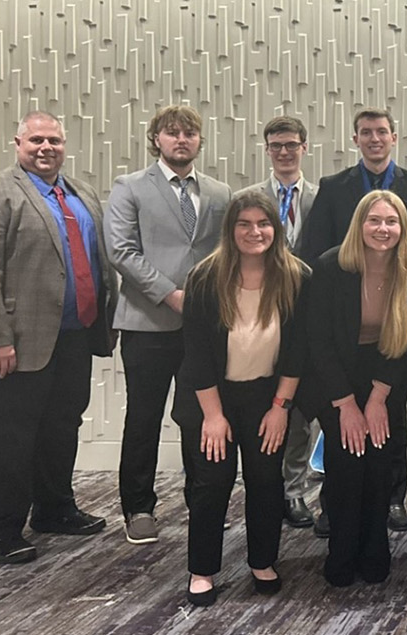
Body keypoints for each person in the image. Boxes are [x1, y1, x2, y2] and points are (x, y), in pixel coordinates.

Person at [0, 111, 118, 564]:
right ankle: (0, 530)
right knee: (9, 438)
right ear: (18, 143)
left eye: (55, 141)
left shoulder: (81, 193)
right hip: (12, 344)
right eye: (37, 140)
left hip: (72, 336)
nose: (46, 148)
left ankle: (54, 509)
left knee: (62, 428)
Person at [298, 106, 407, 533]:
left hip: (393, 331)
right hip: (341, 332)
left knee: (390, 420)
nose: (374, 139)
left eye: (382, 132)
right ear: (355, 139)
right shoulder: (334, 187)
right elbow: (316, 248)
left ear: (394, 137)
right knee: (339, 427)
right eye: (365, 133)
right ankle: (332, 504)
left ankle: (392, 500)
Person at [104, 104, 232, 545]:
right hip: (147, 323)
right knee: (144, 416)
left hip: (205, 327)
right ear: (156, 138)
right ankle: (138, 507)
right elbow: (122, 251)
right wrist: (172, 295)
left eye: (190, 133)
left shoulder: (219, 192)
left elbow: (226, 253)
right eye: (172, 132)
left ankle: (203, 499)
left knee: (199, 416)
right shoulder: (131, 187)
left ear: (199, 141)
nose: (182, 140)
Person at [173, 190, 307, 606]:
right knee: (212, 482)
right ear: (230, 230)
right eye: (244, 224)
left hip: (268, 397)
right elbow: (195, 355)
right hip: (211, 398)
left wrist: (281, 407)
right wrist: (213, 417)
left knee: (266, 481)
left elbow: (300, 350)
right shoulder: (204, 278)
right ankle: (202, 569)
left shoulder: (296, 277)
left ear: (276, 228)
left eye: (263, 223)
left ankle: (263, 561)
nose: (255, 232)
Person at [298, 190, 407, 587]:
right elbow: (317, 341)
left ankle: (375, 548)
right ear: (359, 225)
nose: (383, 229)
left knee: (380, 462)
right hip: (335, 376)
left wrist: (379, 397)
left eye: (391, 222)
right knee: (346, 463)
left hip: (386, 372)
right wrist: (346, 403)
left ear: (402, 228)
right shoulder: (332, 267)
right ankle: (342, 551)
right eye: (374, 221)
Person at [235, 114, 321, 529]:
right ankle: (263, 490)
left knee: (299, 411)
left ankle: (294, 491)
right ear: (267, 150)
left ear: (305, 148)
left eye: (291, 144)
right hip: (256, 315)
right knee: (262, 409)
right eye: (276, 146)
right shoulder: (246, 200)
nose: (284, 152)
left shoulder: (323, 198)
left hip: (305, 314)